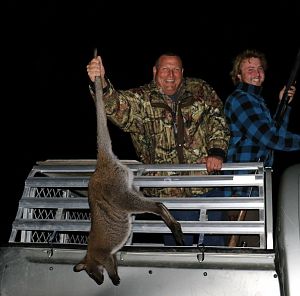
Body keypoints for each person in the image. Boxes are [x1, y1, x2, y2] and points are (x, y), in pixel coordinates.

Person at [87, 52, 230, 246]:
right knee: (177, 249)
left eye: (176, 70)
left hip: (206, 184)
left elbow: (217, 120)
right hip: (168, 192)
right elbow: (117, 107)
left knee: (215, 247)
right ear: (155, 71)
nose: (170, 75)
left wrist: (216, 152)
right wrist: (102, 83)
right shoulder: (143, 99)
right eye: (165, 69)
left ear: (182, 72)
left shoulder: (200, 90)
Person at [224, 49, 300, 246]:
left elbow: (272, 135)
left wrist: (285, 105)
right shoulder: (240, 98)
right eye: (250, 69)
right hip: (241, 191)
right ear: (238, 76)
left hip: (257, 188)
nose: (256, 72)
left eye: (259, 68)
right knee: (246, 251)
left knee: (258, 247)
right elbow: (269, 138)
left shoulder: (257, 101)